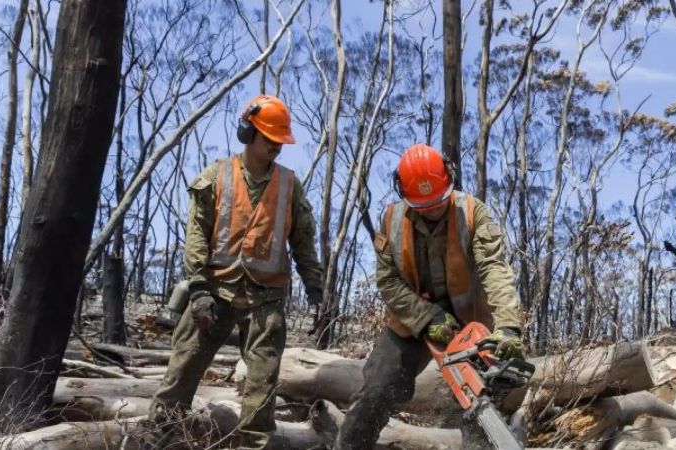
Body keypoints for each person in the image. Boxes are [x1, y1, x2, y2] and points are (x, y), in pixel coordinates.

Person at [146, 94, 325, 449]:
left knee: (261, 387)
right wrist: (197, 289)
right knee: (181, 373)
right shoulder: (216, 177)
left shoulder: (290, 185)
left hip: (266, 299)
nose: (275, 146)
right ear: (248, 132)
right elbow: (196, 236)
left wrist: (314, 284)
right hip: (214, 291)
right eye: (268, 139)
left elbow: (303, 241)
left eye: (279, 141)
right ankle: (158, 438)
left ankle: (252, 445)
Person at [333, 144, 525, 450]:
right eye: (424, 205)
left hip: (469, 321)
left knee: (478, 402)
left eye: (438, 201)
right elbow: (388, 280)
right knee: (378, 387)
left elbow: (495, 271)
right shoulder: (392, 220)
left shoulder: (473, 213)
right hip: (412, 318)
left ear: (448, 181)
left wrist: (508, 327)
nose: (433, 209)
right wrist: (426, 317)